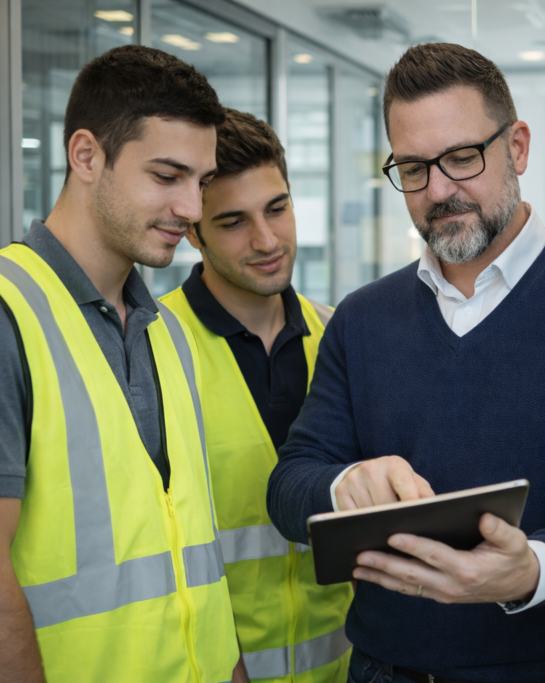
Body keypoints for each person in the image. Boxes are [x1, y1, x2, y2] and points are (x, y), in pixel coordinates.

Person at [266, 42, 545, 683]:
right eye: (413, 168)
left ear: (517, 147)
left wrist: (532, 568)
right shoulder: (361, 317)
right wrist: (343, 485)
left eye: (462, 158)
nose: (439, 190)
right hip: (386, 670)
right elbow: (291, 481)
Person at [0, 46, 240, 683]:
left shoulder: (168, 333)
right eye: (167, 176)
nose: (193, 210)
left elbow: (197, 568)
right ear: (86, 156)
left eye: (201, 181)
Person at [161, 108, 352, 683]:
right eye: (232, 222)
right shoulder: (152, 348)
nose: (267, 240)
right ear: (192, 230)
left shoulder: (342, 337)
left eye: (277, 208)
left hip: (346, 667)